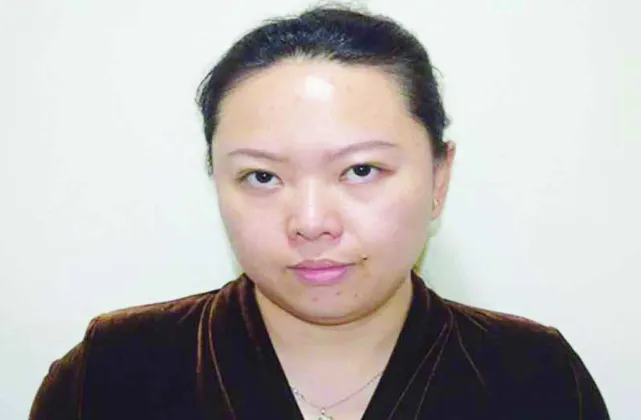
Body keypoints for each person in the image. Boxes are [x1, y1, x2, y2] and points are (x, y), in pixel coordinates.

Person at [29, 6, 609, 420]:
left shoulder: (534, 376)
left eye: (361, 170)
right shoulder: (111, 374)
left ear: (439, 178)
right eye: (262, 176)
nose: (310, 222)